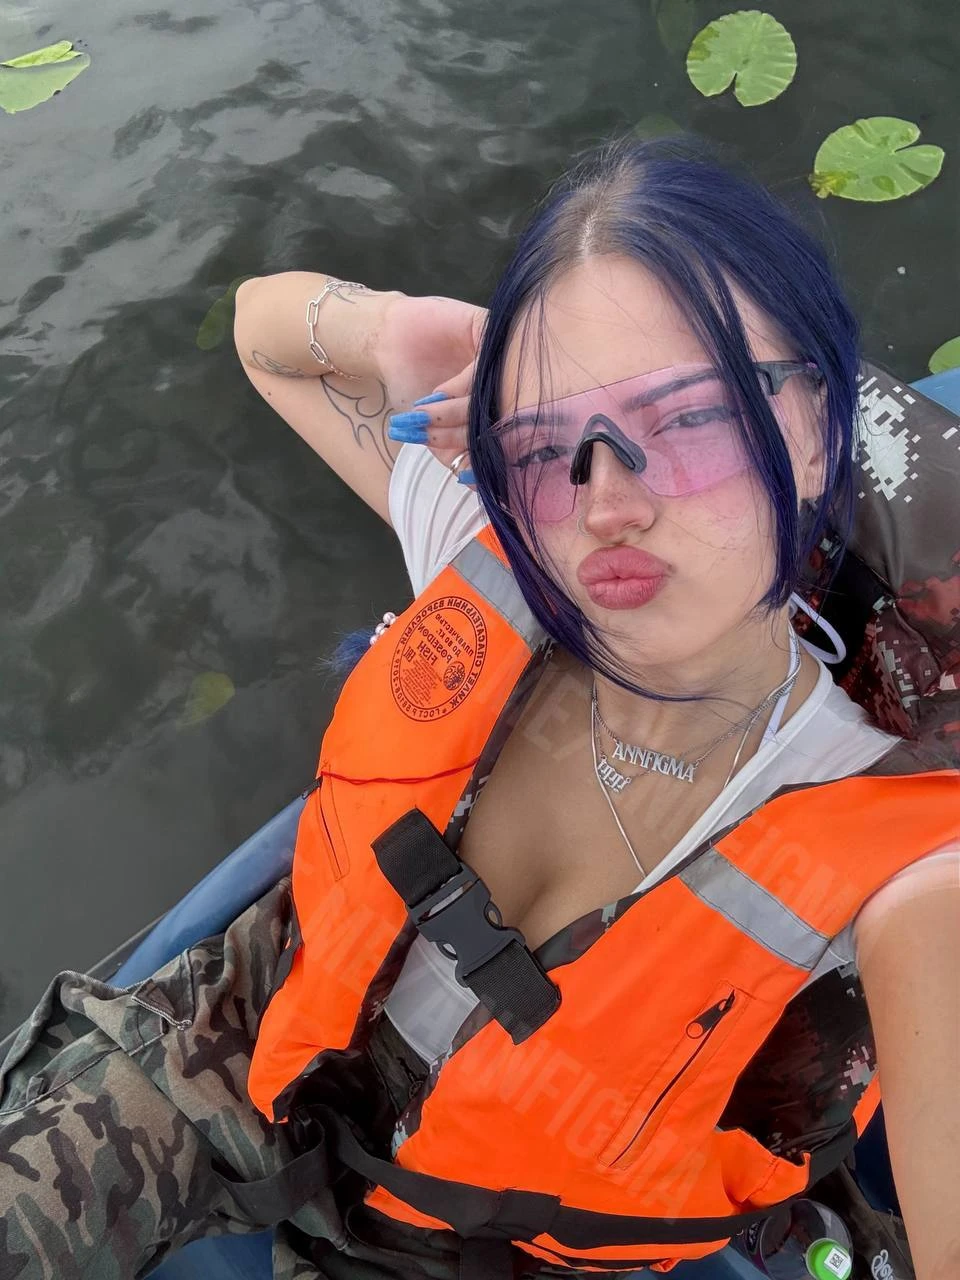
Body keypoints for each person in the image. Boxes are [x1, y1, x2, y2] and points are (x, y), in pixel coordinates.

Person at [0, 135, 957, 1280]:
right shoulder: (487, 545)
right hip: (237, 1049)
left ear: (814, 431)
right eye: (553, 440)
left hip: (481, 1246)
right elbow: (265, 333)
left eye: (688, 416)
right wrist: (415, 335)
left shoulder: (910, 869)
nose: (607, 502)